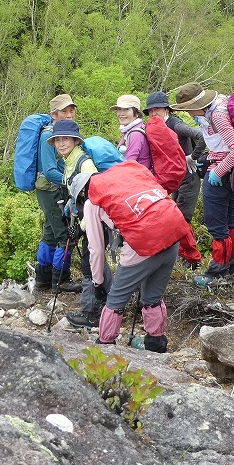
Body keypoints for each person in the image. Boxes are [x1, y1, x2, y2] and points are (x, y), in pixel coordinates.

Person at [71, 162, 202, 352]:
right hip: (173, 237)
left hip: (144, 244)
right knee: (152, 298)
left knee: (115, 301)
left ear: (82, 194)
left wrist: (98, 283)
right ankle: (155, 346)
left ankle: (105, 346)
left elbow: (96, 250)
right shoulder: (125, 181)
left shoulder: (92, 202)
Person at [170, 83, 234, 286]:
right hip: (229, 172)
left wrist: (218, 172)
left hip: (221, 173)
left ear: (197, 105)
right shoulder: (220, 103)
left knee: (216, 224)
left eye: (188, 110)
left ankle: (217, 272)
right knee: (230, 219)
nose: (188, 114)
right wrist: (200, 158)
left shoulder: (217, 116)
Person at [45, 119, 106, 330]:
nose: (61, 143)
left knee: (89, 264)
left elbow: (95, 198)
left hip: (96, 220)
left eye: (66, 139)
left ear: (75, 141)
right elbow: (77, 193)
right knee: (95, 262)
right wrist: (72, 208)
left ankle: (92, 313)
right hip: (87, 219)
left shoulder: (84, 163)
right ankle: (109, 304)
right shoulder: (69, 161)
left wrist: (82, 227)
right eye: (58, 140)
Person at [34, 94, 82, 293]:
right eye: (64, 111)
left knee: (50, 234)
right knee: (65, 235)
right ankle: (60, 280)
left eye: (71, 110)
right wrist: (73, 181)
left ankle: (43, 278)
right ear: (53, 114)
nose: (69, 115)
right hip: (51, 191)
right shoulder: (47, 137)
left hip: (54, 190)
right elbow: (49, 171)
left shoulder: (60, 134)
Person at [145, 90, 205, 223]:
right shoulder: (158, 126)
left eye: (157, 109)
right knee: (174, 217)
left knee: (182, 219)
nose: (154, 113)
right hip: (176, 179)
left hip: (189, 178)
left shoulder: (175, 125)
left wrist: (192, 157)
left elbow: (201, 136)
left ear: (167, 109)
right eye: (150, 110)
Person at [112, 95, 152, 170]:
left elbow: (128, 164)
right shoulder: (132, 130)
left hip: (138, 176)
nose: (121, 114)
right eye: (119, 109)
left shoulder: (135, 134)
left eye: (126, 109)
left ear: (136, 113)